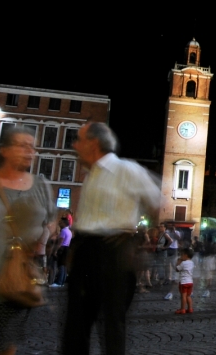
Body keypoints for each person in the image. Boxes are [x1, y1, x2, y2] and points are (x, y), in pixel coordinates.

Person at [63, 122, 161, 355]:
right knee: (76, 325)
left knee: (112, 325)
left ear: (93, 143)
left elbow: (156, 201)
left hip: (114, 251)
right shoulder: (91, 174)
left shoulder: (126, 169)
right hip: (85, 250)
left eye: (78, 139)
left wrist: (135, 239)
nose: (74, 145)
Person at [0, 127, 56, 355]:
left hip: (16, 276)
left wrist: (41, 242)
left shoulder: (40, 185)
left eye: (31, 146)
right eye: (22, 145)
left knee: (6, 342)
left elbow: (51, 222)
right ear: (3, 150)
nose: (29, 151)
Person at [50, 217, 72, 287]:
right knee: (64, 265)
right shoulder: (69, 231)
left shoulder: (63, 231)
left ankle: (58, 282)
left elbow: (60, 242)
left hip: (62, 248)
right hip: (67, 248)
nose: (59, 223)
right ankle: (62, 281)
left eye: (61, 222)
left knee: (61, 265)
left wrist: (55, 251)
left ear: (64, 223)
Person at [163, 223, 182, 300]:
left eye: (172, 226)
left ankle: (176, 272)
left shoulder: (177, 232)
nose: (171, 227)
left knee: (174, 262)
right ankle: (170, 277)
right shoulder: (166, 231)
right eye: (170, 226)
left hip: (174, 248)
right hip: (169, 249)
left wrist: (174, 232)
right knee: (167, 264)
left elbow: (178, 238)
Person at [174, 248, 195, 314]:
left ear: (186, 255)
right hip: (190, 282)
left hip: (183, 282)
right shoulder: (192, 263)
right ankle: (190, 308)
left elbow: (177, 269)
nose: (181, 256)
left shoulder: (183, 263)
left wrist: (178, 262)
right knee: (188, 296)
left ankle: (182, 309)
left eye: (182, 255)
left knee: (183, 296)